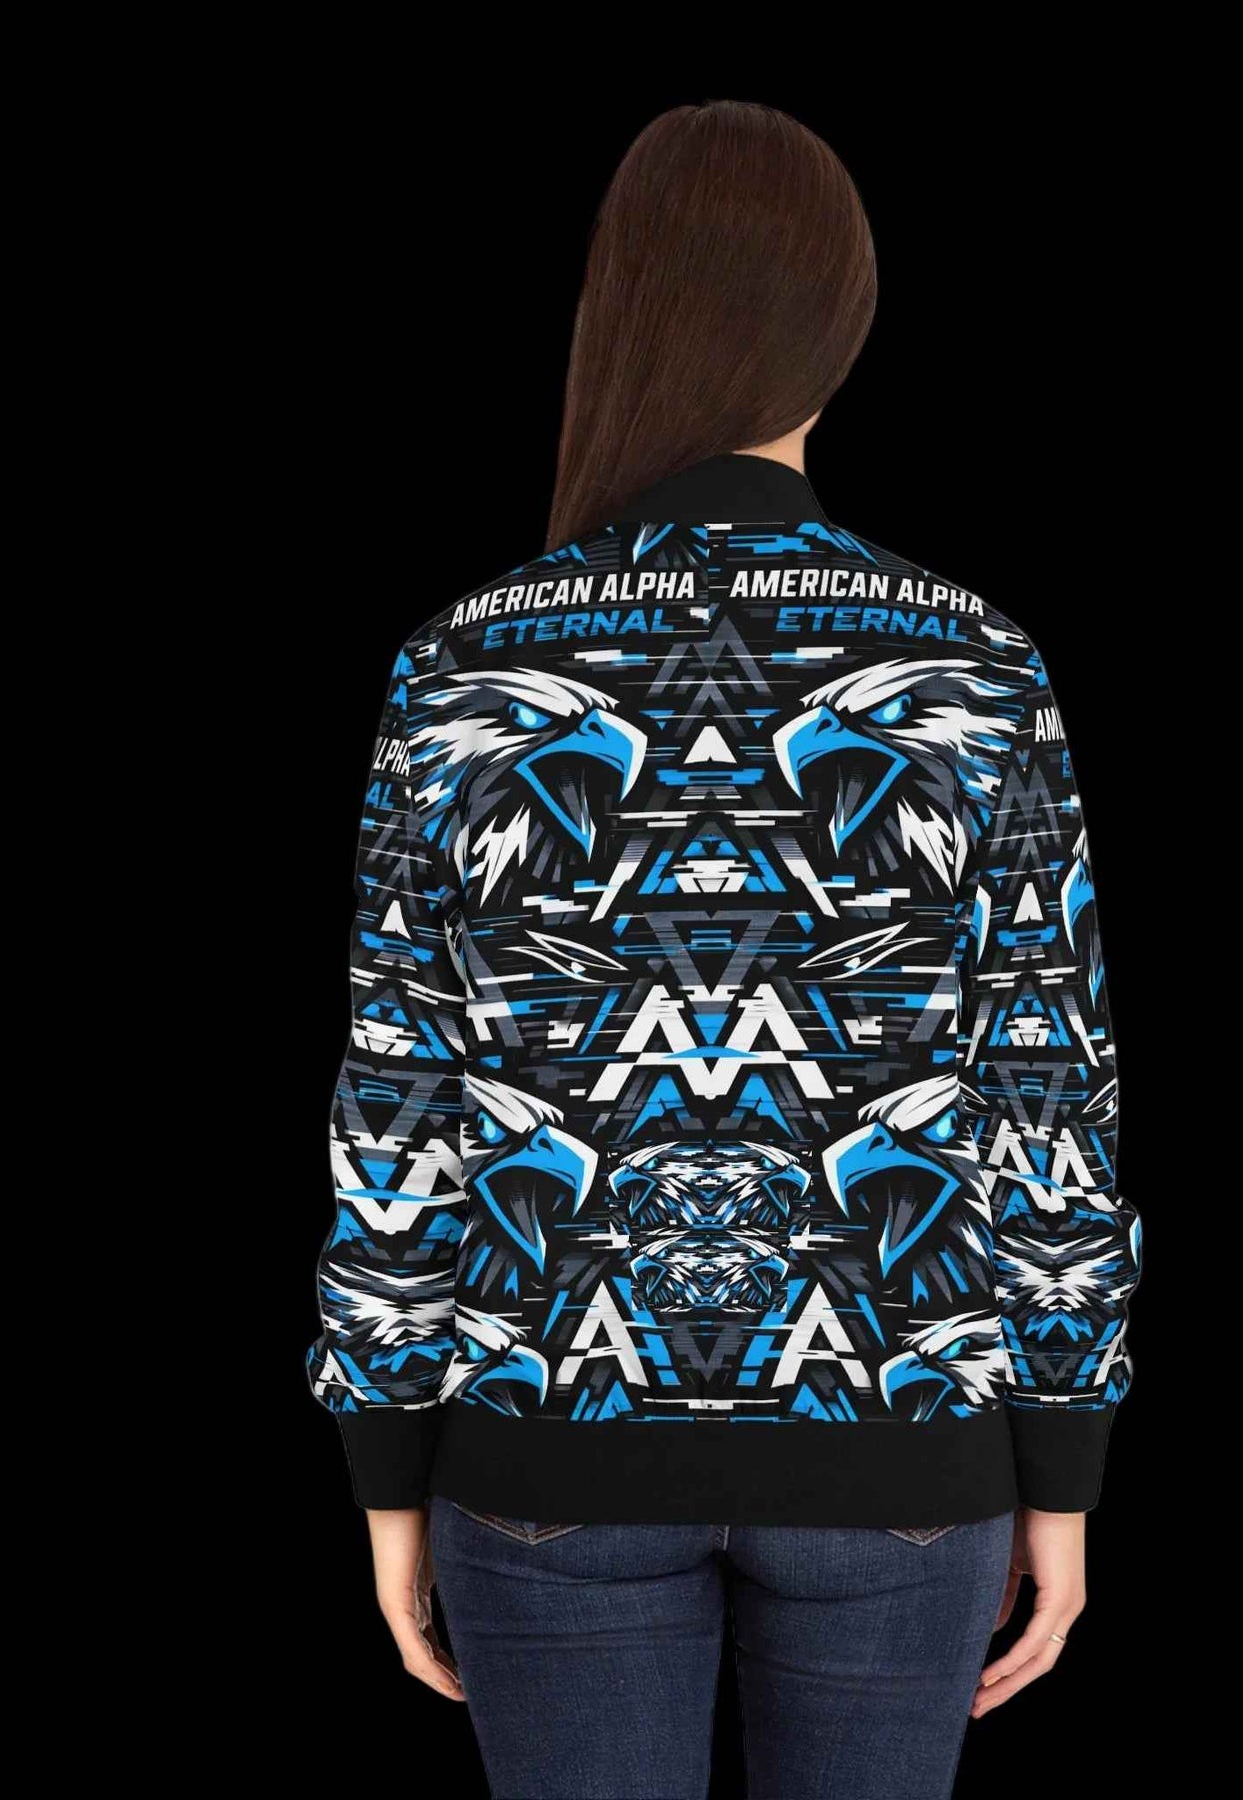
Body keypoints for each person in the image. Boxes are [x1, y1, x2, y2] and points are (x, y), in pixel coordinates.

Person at [304, 99, 1142, 1800]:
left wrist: (387, 1464)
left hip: (544, 1442)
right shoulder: (978, 664)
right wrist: (1064, 1463)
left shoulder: (462, 663)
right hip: (904, 1442)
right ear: (844, 323)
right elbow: (1048, 1084)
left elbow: (400, 1091)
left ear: (619, 311)